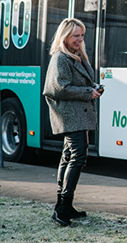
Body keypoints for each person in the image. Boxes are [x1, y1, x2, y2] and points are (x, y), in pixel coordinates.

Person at [43, 18, 101, 226]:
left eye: (82, 35)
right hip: (71, 115)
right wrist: (88, 92)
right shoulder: (61, 57)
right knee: (77, 157)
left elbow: (74, 83)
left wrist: (93, 87)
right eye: (75, 35)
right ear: (65, 36)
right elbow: (57, 88)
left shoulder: (76, 56)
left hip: (78, 114)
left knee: (69, 157)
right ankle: (63, 207)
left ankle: (63, 206)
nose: (80, 39)